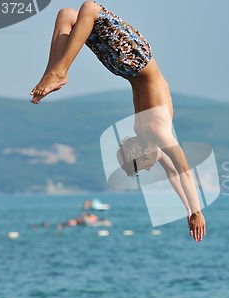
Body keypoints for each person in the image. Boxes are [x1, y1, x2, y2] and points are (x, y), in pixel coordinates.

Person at [30, 1, 206, 242]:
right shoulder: (151, 131)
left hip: (131, 62)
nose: (154, 165)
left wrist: (193, 211)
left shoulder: (153, 131)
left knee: (79, 12)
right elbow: (179, 172)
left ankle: (57, 71)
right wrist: (193, 211)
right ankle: (56, 71)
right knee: (76, 13)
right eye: (148, 166)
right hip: (129, 63)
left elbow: (178, 173)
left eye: (147, 165)